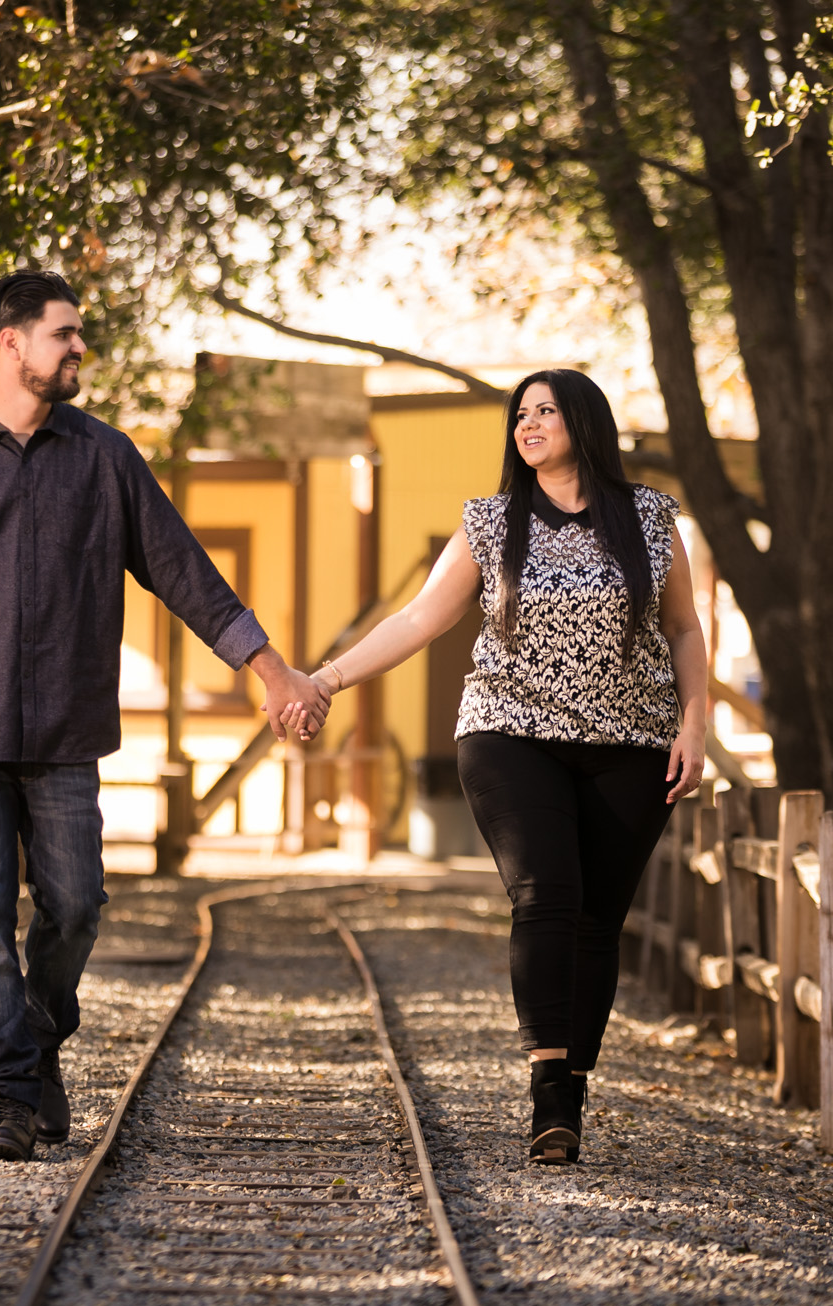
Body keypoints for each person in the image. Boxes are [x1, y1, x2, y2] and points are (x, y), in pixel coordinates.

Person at [0, 270, 328, 1160]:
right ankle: (8, 1094)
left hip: (67, 735)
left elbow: (185, 572)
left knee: (77, 907)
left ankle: (36, 1040)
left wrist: (272, 671)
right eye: (64, 333)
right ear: (12, 343)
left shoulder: (104, 458)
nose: (80, 348)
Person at [284, 368, 707, 1165]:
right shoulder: (492, 522)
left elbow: (684, 629)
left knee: (597, 920)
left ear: (586, 422)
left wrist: (696, 724)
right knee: (546, 894)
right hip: (510, 732)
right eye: (521, 414)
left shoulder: (649, 518)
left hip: (634, 739)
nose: (528, 423)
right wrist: (326, 679)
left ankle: (573, 1083)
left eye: (546, 410)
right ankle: (550, 1093)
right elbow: (417, 618)